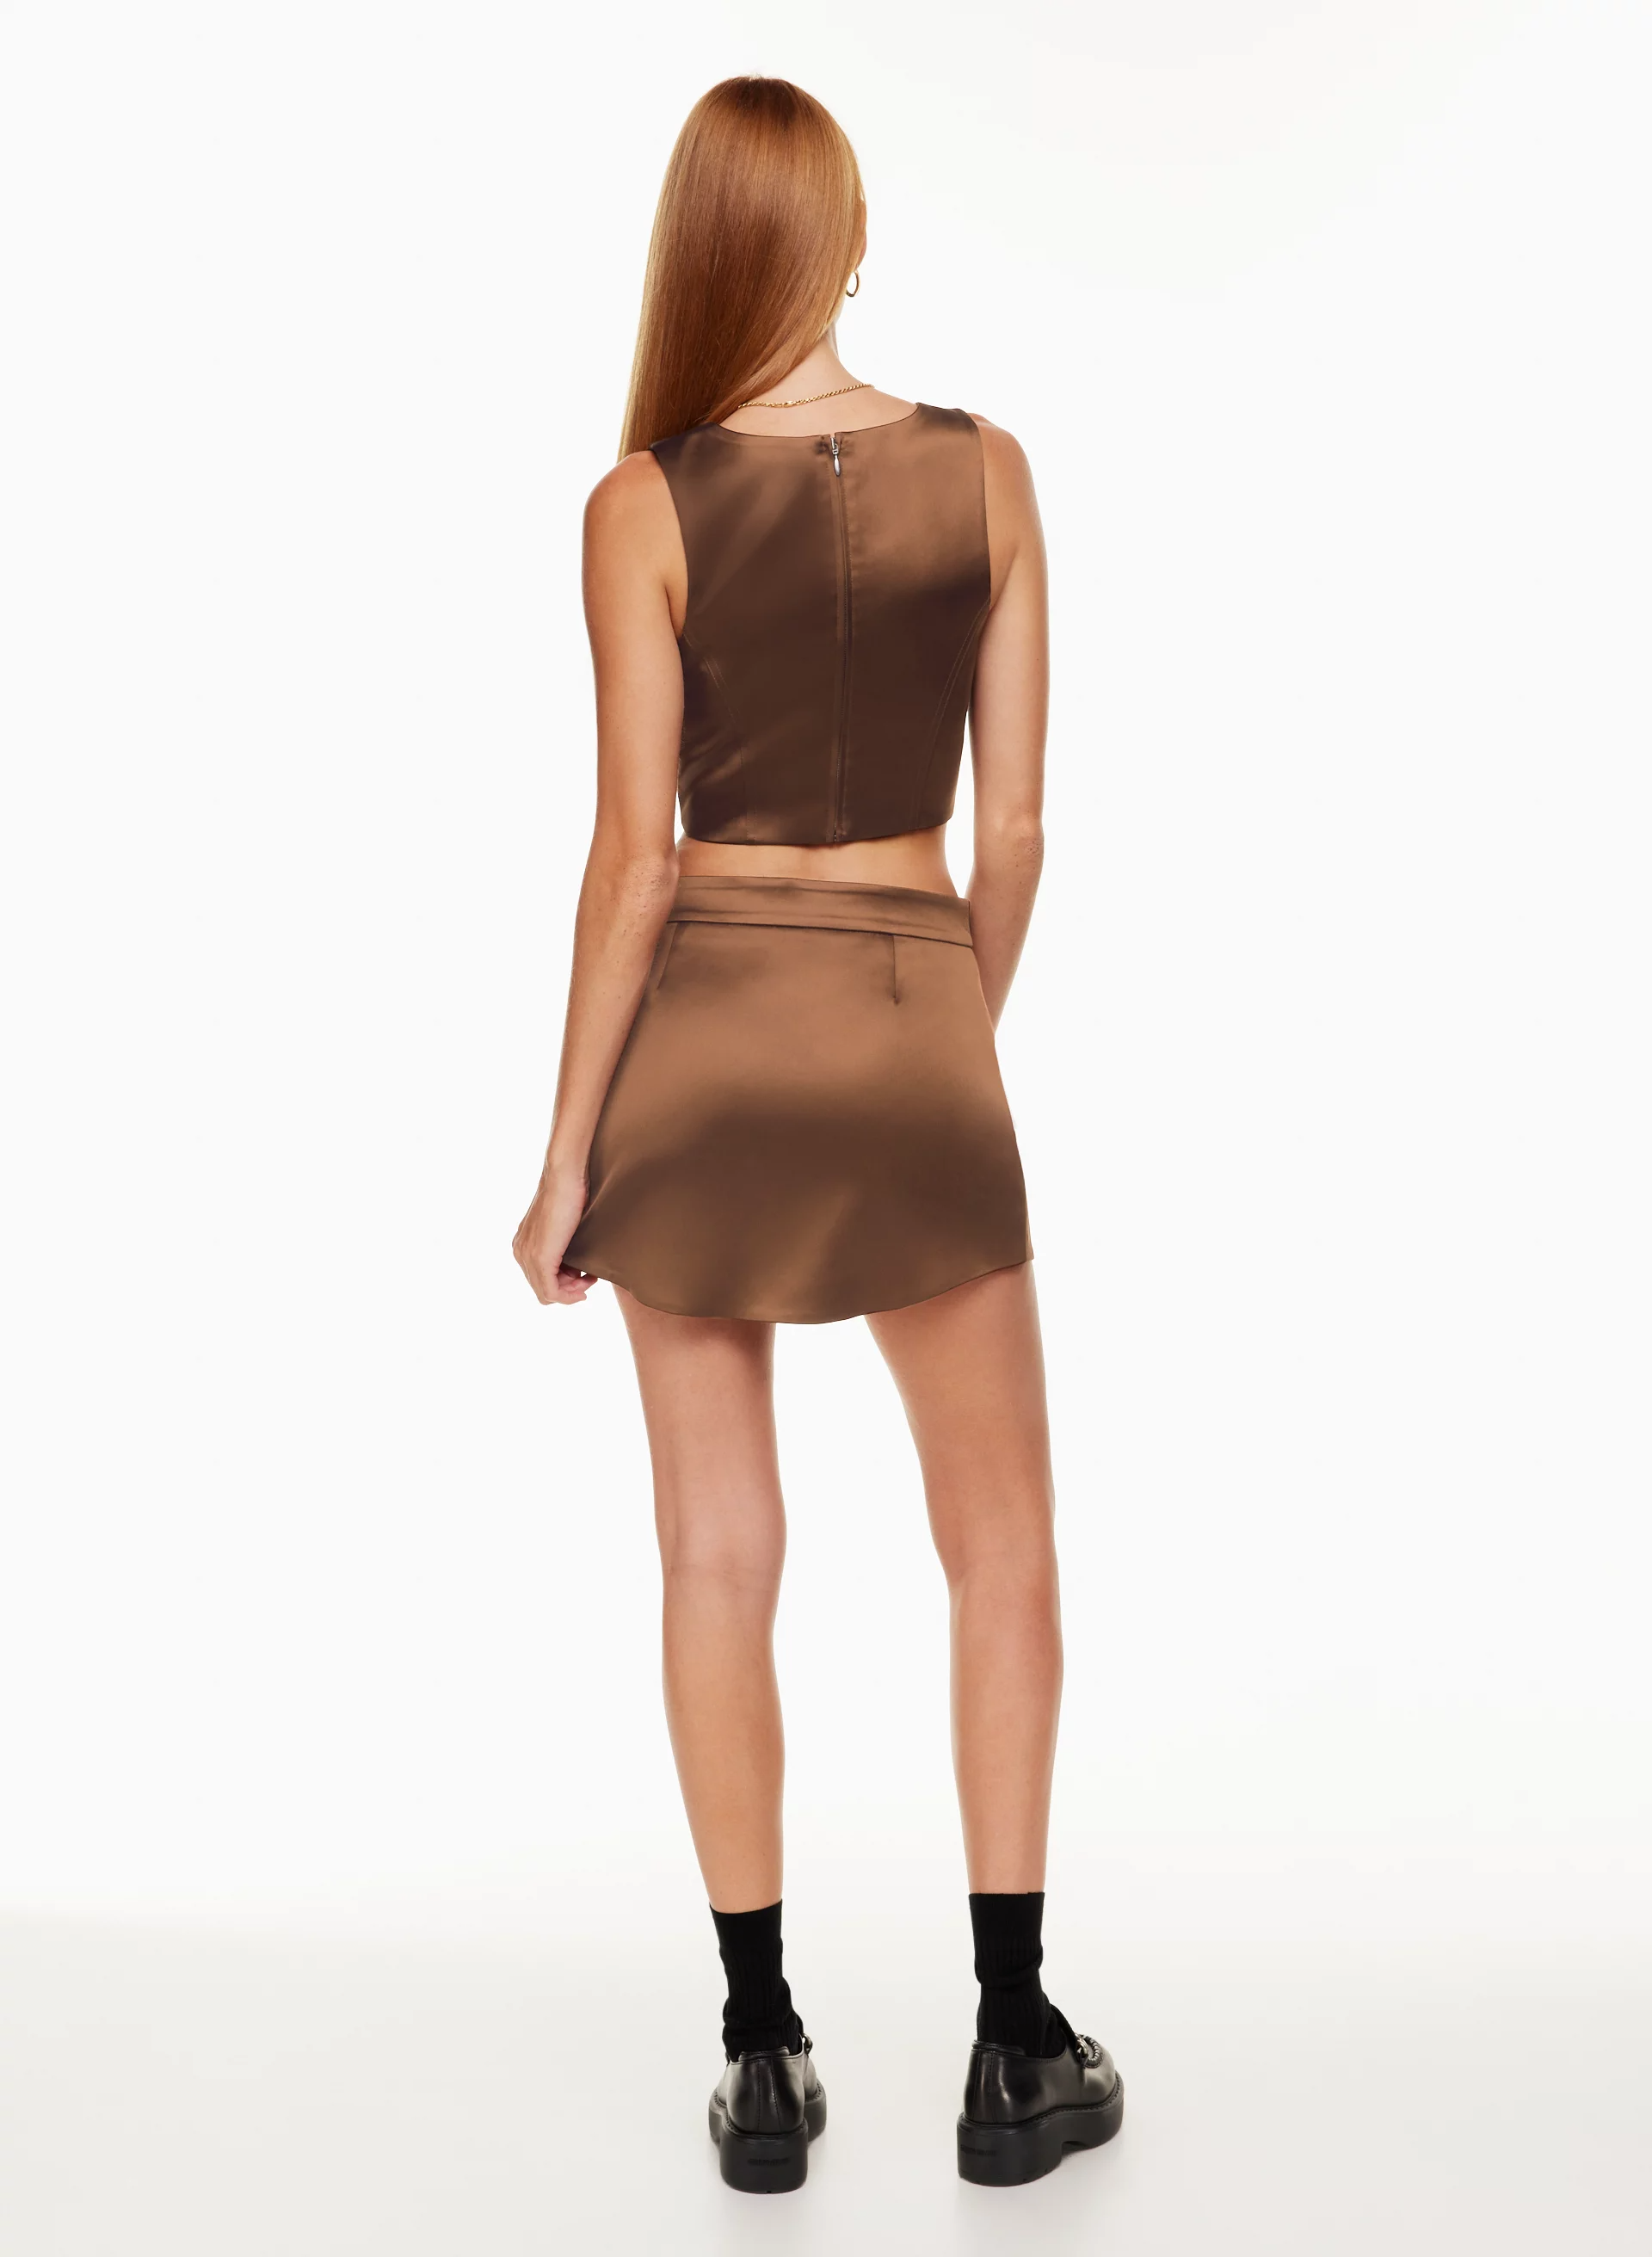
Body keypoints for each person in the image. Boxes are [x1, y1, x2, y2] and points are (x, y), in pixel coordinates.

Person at [513, 74, 1122, 2193]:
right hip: (910, 1018)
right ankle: (1016, 2041)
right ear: (847, 240)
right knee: (1001, 1541)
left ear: (700, 250)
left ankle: (761, 2049)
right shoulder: (995, 473)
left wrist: (567, 1158)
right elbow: (1017, 833)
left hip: (700, 1058)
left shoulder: (640, 505)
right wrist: (939, 1032)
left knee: (717, 1550)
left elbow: (633, 861)